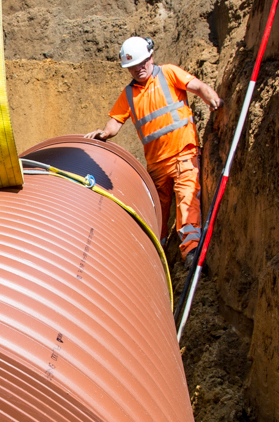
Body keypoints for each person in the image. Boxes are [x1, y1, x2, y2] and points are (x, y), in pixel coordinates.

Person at [84, 37, 221, 263]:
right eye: (133, 67)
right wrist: (105, 132)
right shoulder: (129, 94)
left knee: (187, 200)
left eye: (142, 63)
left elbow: (195, 86)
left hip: (183, 154)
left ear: (151, 57)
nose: (139, 69)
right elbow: (115, 122)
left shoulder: (168, 74)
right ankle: (158, 257)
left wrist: (209, 94)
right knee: (158, 213)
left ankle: (191, 252)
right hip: (156, 166)